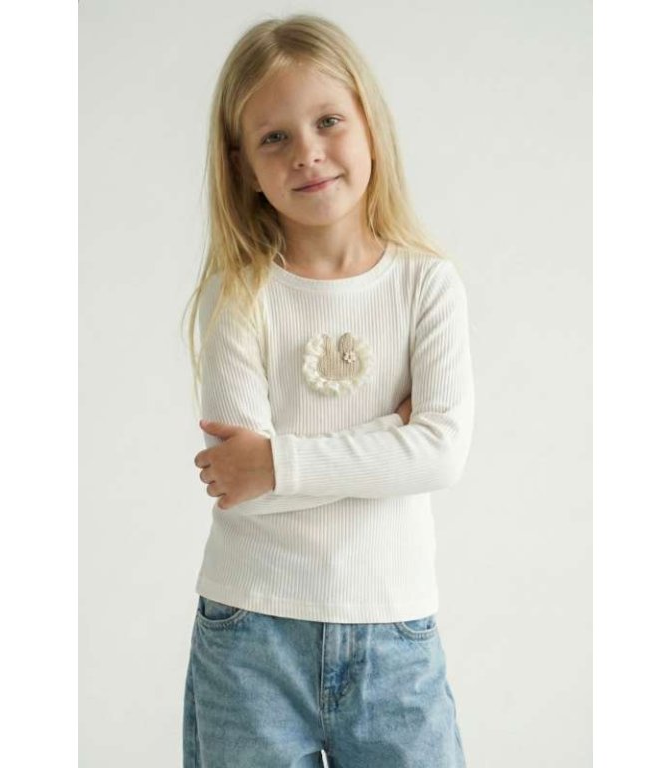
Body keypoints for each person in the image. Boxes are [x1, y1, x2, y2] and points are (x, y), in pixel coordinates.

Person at [182, 13, 475, 767]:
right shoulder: (237, 296)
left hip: (395, 631)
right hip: (250, 634)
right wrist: (390, 439)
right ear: (243, 166)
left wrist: (275, 463)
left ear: (369, 123)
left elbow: (441, 456)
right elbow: (241, 488)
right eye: (274, 137)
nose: (307, 152)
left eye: (328, 121)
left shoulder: (426, 285)